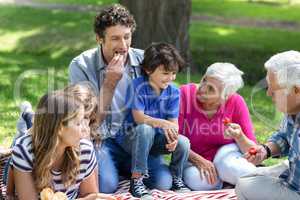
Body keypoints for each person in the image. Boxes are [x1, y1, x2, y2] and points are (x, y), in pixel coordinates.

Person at [69, 4, 173, 193]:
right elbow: (87, 120)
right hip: (100, 139)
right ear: (99, 39)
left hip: (135, 140)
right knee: (106, 186)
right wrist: (109, 83)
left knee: (164, 183)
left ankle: (126, 170)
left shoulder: (145, 61)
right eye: (115, 38)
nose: (124, 46)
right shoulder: (81, 66)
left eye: (127, 37)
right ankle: (111, 169)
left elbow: (168, 101)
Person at [116, 43, 191, 198]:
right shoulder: (138, 86)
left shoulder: (174, 91)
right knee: (145, 128)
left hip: (154, 141)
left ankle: (177, 178)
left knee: (183, 142)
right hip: (131, 138)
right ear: (149, 70)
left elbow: (173, 123)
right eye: (165, 73)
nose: (170, 78)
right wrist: (163, 124)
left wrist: (173, 137)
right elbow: (139, 118)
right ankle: (137, 180)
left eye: (173, 73)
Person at [11, 91, 115, 200]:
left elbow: (90, 195)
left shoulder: (85, 149)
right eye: (78, 123)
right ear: (60, 128)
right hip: (26, 145)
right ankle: (27, 116)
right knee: (19, 141)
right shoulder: (24, 151)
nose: (84, 129)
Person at [179, 63, 257, 190]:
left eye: (211, 89)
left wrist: (240, 136)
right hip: (191, 158)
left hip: (225, 155)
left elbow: (253, 150)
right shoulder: (185, 94)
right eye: (204, 80)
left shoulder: (236, 102)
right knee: (199, 181)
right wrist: (199, 161)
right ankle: (229, 183)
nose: (202, 88)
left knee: (233, 168)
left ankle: (235, 178)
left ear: (225, 96)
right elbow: (173, 138)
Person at [235, 50, 300, 200]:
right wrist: (266, 150)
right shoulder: (292, 109)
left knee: (244, 186)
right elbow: (285, 137)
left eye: (274, 88)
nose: (268, 93)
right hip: (292, 174)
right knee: (247, 178)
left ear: (296, 90)